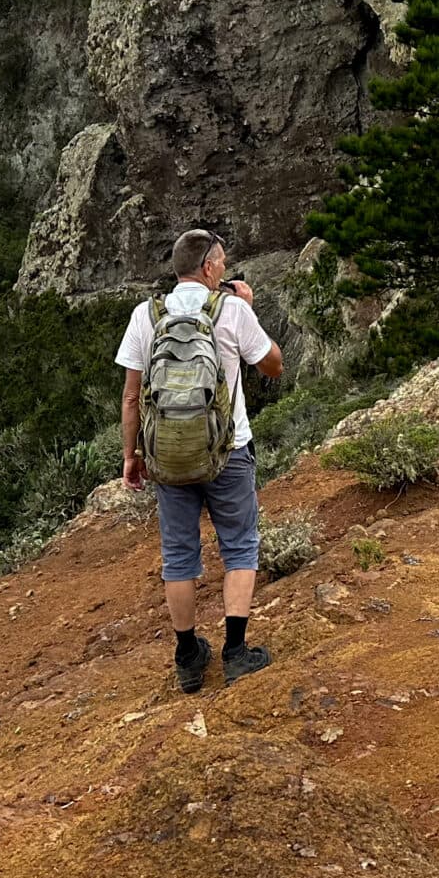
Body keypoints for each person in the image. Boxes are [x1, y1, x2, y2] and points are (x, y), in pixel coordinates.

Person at [115, 228, 284, 691]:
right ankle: (235, 652)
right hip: (228, 451)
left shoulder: (145, 316)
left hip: (167, 458)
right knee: (240, 547)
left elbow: (132, 398)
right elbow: (273, 365)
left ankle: (188, 657)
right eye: (223, 262)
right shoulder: (231, 309)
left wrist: (132, 457)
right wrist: (247, 310)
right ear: (209, 268)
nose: (226, 270)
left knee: (179, 556)